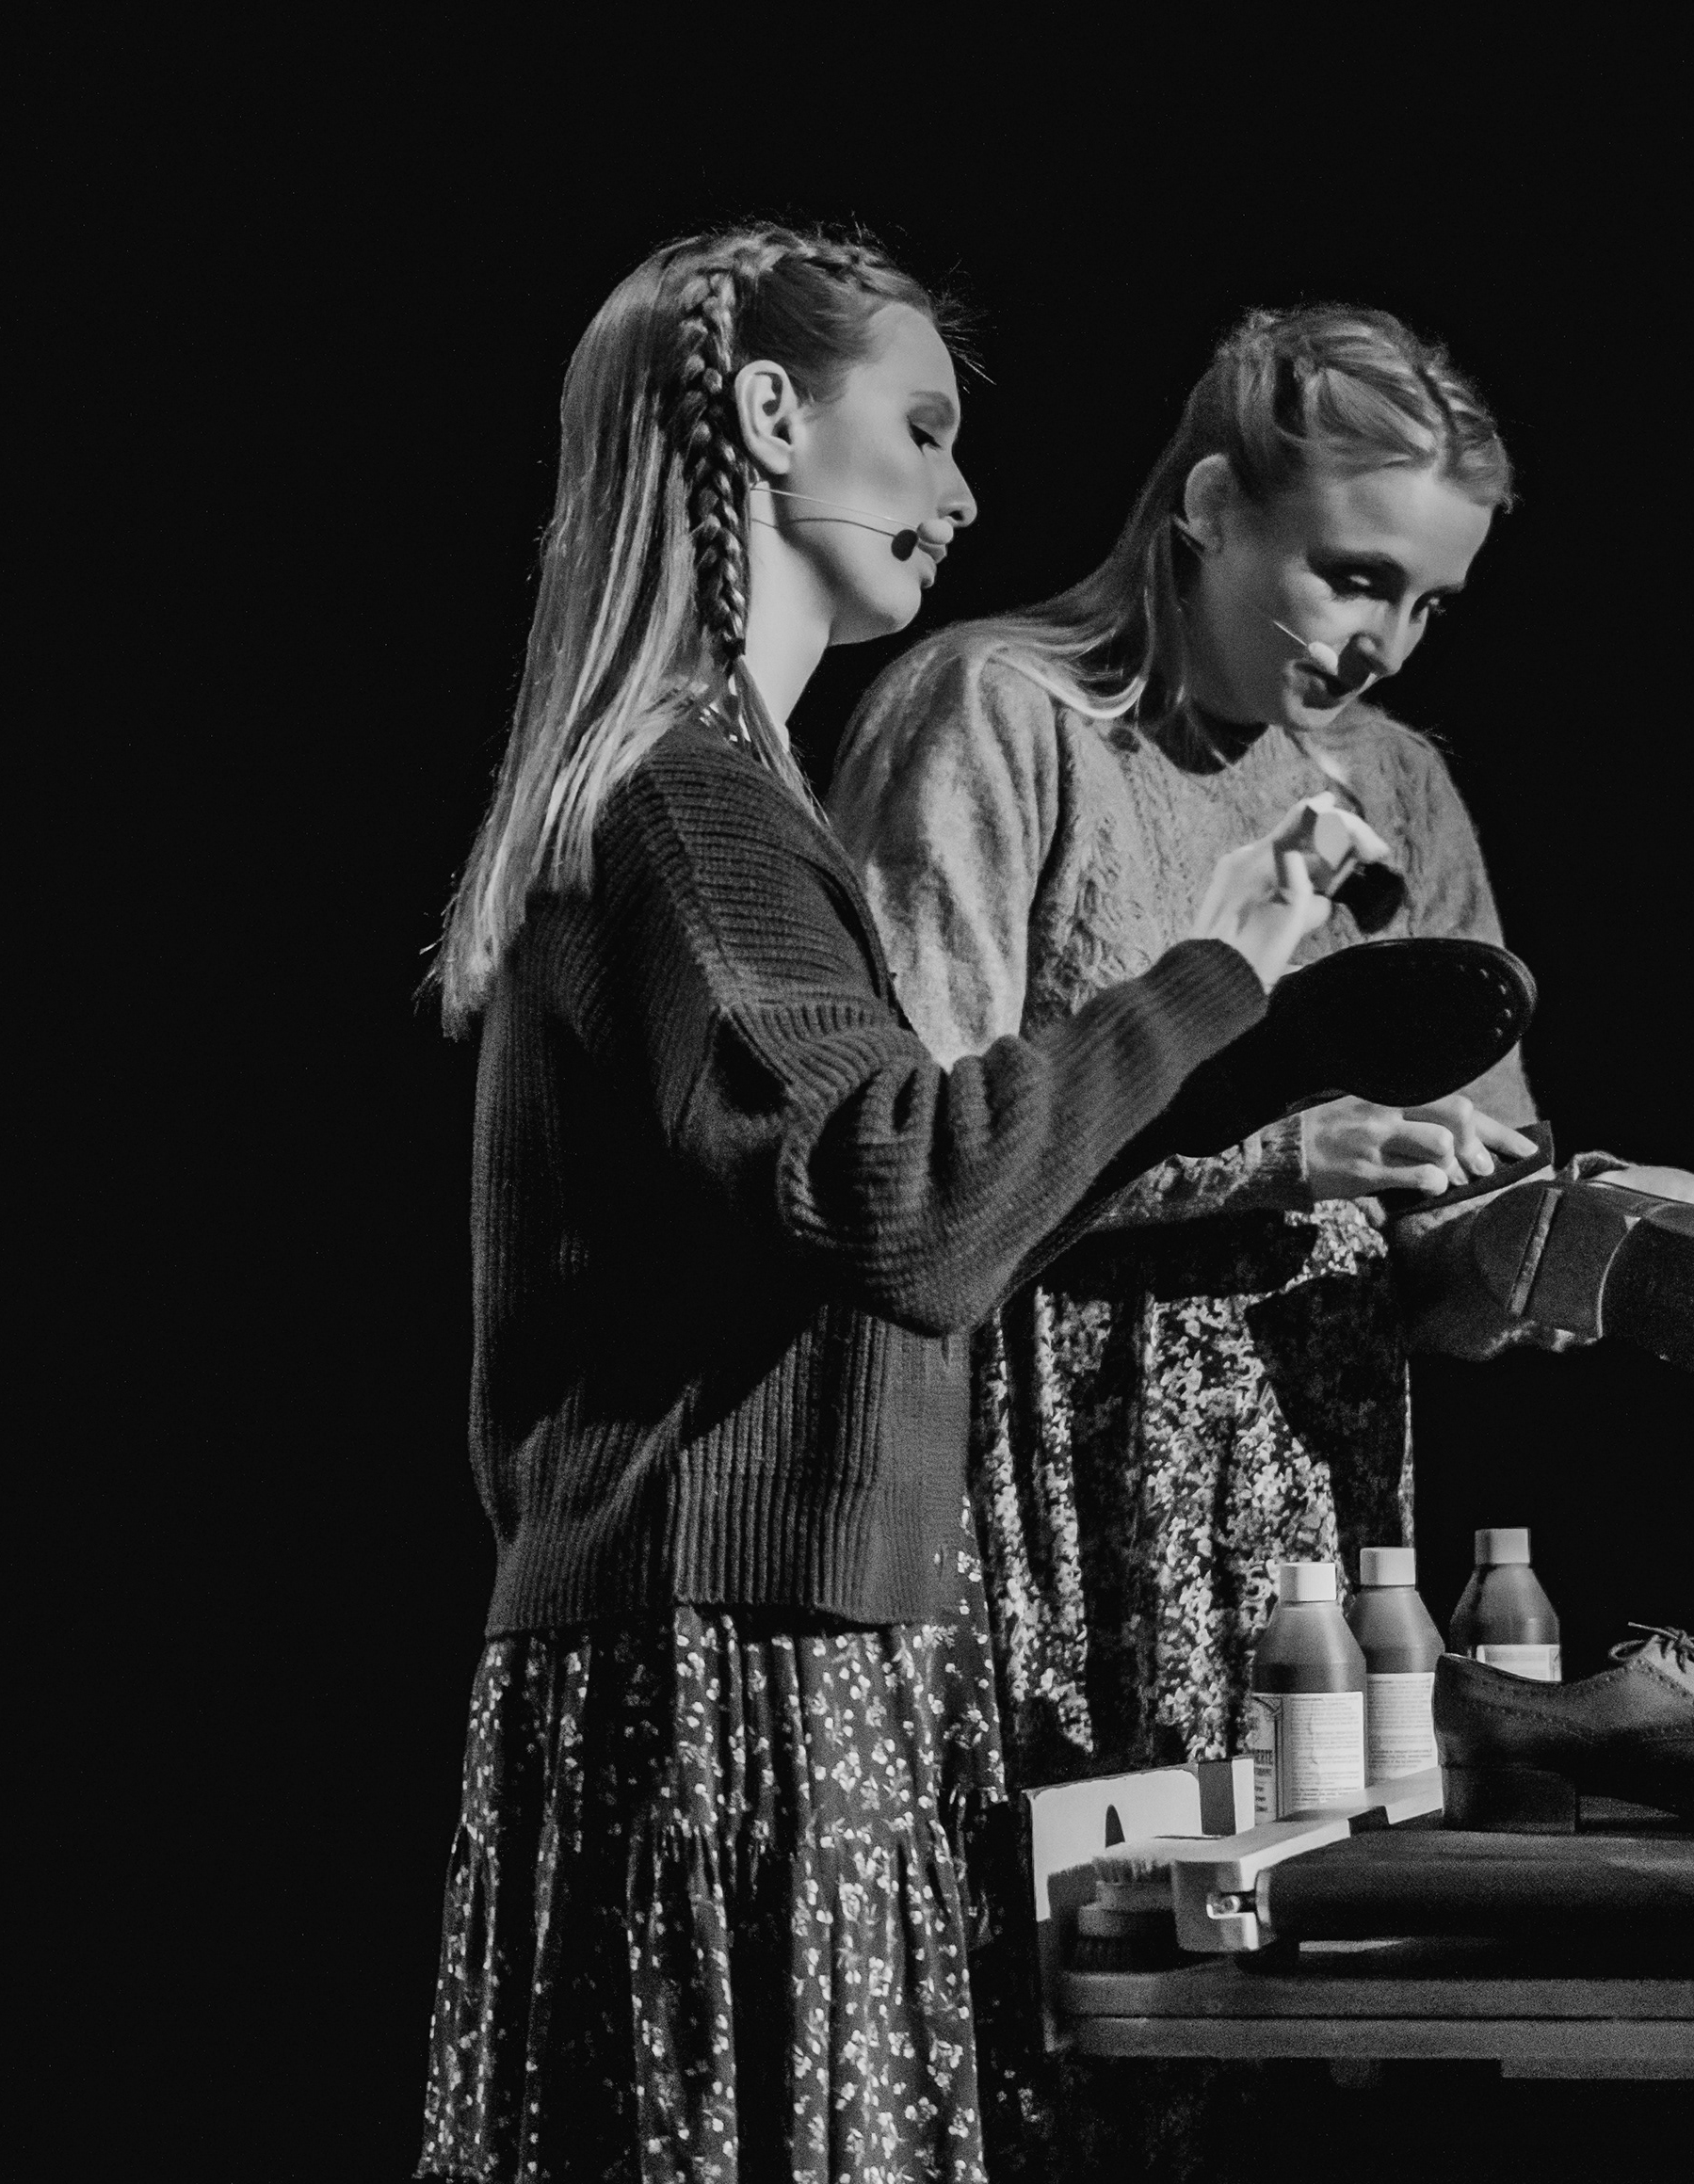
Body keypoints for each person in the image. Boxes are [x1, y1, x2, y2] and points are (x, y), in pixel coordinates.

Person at [413, 226, 1363, 2184]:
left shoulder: (712, 794)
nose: (963, 492)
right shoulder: (690, 802)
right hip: (730, 1664)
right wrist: (1210, 975)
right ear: (772, 417)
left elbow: (920, 1211)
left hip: (751, 1650)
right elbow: (906, 1199)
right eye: (921, 429)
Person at [824, 303, 1694, 2172]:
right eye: (1352, 576)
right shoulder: (998, 715)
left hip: (1307, 1492)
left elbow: (1450, 1219)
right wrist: (1280, 1154)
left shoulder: (1391, 781)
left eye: (1426, 604)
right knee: (1053, 2013)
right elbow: (918, 1172)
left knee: (1296, 2017)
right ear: (1207, 507)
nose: (1381, 643)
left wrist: (1539, 1249)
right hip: (1039, 1472)